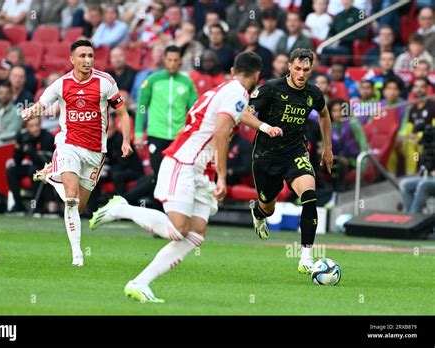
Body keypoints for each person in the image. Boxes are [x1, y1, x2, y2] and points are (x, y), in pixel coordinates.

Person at [88, 52, 268, 303]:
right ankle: (121, 208)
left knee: (194, 235)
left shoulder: (225, 90)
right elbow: (220, 132)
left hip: (200, 169)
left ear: (232, 70)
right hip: (185, 162)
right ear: (257, 75)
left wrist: (264, 127)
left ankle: (139, 283)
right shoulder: (237, 93)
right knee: (177, 230)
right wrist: (223, 178)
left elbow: (237, 116)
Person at [21, 40, 134, 267]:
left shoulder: (105, 83)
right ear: (72, 59)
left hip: (95, 152)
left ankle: (53, 175)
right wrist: (29, 111)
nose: (87, 61)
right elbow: (41, 104)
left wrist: (126, 141)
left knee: (80, 206)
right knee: (71, 199)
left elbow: (123, 114)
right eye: (82, 56)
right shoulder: (61, 84)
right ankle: (77, 255)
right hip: (68, 145)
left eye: (90, 56)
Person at [246, 48, 333, 274]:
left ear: (311, 69)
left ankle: (306, 256)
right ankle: (258, 212)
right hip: (266, 157)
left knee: (309, 196)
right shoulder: (271, 89)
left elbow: (324, 114)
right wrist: (266, 127)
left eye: (306, 70)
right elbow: (244, 113)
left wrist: (328, 149)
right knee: (269, 207)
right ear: (289, 67)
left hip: (296, 153)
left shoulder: (313, 93)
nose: (301, 74)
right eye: (297, 69)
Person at [135, 45, 197, 178]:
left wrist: (189, 130)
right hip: (156, 134)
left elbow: (195, 110)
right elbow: (141, 107)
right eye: (169, 60)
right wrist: (139, 133)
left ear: (180, 60)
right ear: (164, 59)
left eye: (176, 60)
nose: (172, 64)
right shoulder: (152, 80)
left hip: (178, 136)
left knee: (177, 176)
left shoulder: (187, 83)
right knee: (158, 175)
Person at [6, 117, 55, 214]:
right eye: (31, 126)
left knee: (34, 170)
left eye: (37, 125)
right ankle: (18, 205)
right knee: (12, 170)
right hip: (34, 166)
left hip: (48, 168)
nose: (35, 129)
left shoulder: (47, 137)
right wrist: (19, 146)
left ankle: (38, 206)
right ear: (26, 127)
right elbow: (17, 160)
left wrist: (29, 148)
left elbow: (44, 161)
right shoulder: (25, 137)